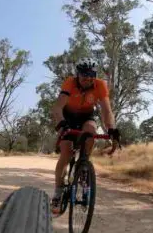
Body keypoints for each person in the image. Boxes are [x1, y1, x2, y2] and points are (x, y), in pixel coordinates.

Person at [50, 58, 120, 215]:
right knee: (66, 154)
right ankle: (58, 191)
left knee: (91, 131)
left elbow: (106, 111)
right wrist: (61, 123)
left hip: (86, 116)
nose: (87, 79)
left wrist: (112, 128)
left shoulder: (100, 85)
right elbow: (58, 107)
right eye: (84, 76)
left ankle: (83, 163)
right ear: (77, 75)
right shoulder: (70, 82)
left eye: (91, 76)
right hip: (68, 117)